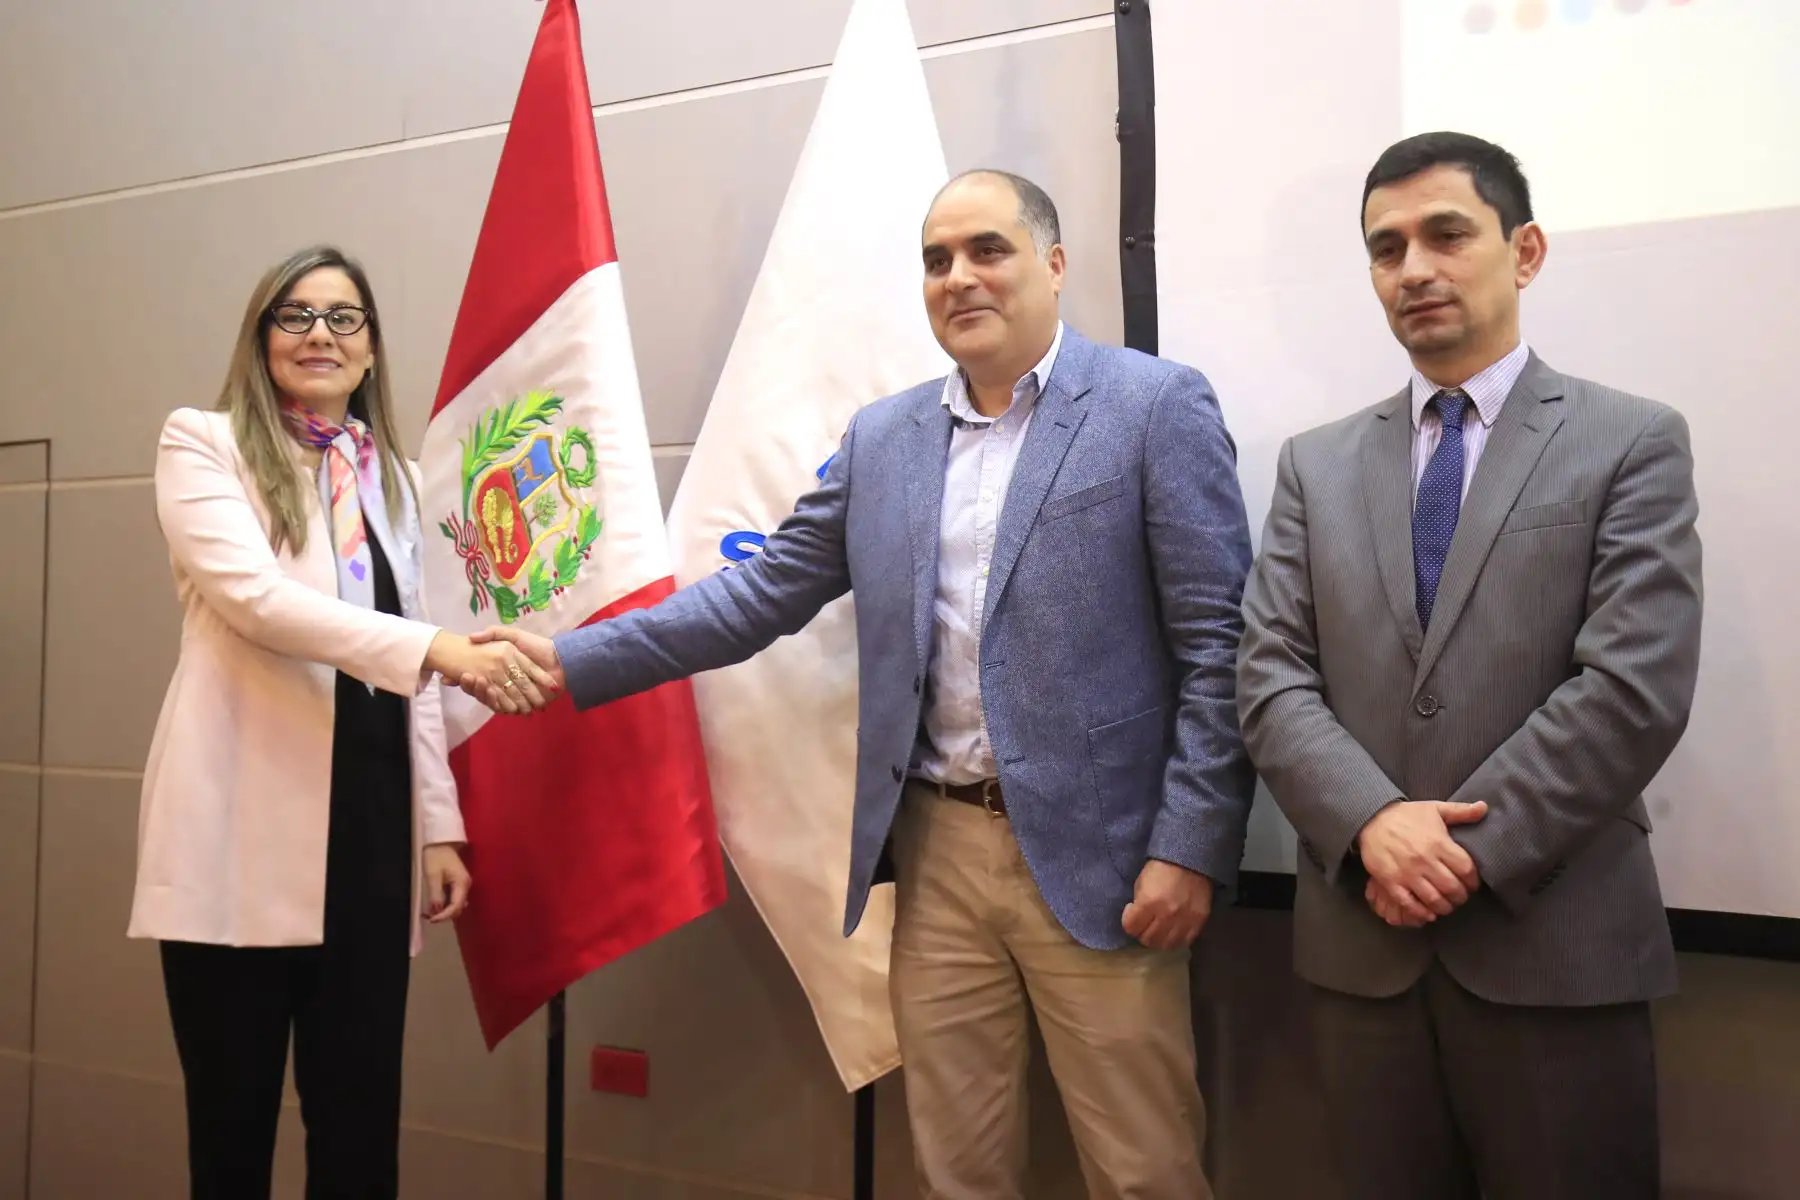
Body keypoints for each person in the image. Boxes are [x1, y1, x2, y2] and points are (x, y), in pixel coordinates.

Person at [475, 171, 1255, 1197]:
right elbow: (754, 598)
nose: (958, 278)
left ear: (1055, 266)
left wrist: (1188, 846)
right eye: (937, 260)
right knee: (955, 1169)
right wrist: (565, 661)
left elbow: (1219, 650)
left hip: (1106, 864)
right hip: (934, 857)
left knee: (1144, 1169)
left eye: (988, 250)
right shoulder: (884, 438)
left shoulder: (1153, 408)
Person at [1235, 131, 1703, 1200]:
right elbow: (1270, 675)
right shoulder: (1316, 464)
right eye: (1385, 247)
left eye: (1446, 234)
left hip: (1554, 942)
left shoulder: (1629, 440)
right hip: (1364, 953)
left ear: (1524, 249)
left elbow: (1633, 688)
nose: (1413, 269)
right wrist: (1370, 824)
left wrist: (1455, 853)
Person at [129, 245, 557, 1200]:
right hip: (235, 833)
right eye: (296, 315)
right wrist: (441, 646)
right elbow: (256, 601)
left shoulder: (395, 479)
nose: (320, 333)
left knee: (360, 1134)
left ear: (369, 353)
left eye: (344, 318)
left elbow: (416, 670)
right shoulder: (203, 442)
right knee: (231, 1137)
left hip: (369, 836)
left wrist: (438, 826)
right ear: (262, 337)